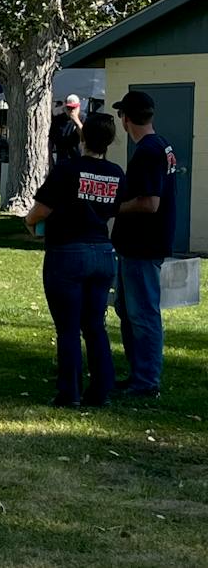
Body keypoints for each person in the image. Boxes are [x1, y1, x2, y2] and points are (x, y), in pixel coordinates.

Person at [24, 111, 122, 407]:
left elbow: (40, 210)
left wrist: (29, 223)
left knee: (67, 327)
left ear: (82, 136)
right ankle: (101, 390)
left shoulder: (68, 169)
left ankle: (70, 393)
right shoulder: (116, 173)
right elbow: (114, 208)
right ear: (110, 140)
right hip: (103, 251)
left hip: (68, 251)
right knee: (94, 325)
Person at [112, 90, 176, 399]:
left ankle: (146, 381)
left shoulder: (148, 152)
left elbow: (150, 203)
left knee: (143, 313)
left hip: (142, 244)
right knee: (127, 308)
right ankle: (138, 372)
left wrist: (115, 206)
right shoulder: (162, 145)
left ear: (125, 118)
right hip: (140, 243)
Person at [49, 95, 85, 164]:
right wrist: (50, 160)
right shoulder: (57, 120)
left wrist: (76, 120)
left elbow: (84, 137)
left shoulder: (83, 119)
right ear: (65, 107)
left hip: (78, 160)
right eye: (69, 108)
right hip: (62, 160)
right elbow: (50, 141)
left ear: (79, 107)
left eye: (74, 108)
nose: (72, 110)